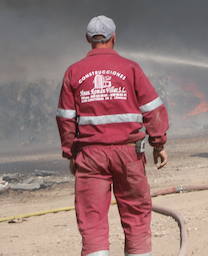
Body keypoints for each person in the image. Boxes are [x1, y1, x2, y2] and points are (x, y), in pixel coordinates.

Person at [56, 15, 169, 256]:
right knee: (136, 213)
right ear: (114, 37)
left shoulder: (73, 72)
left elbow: (66, 118)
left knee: (92, 217)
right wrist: (158, 144)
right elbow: (153, 109)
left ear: (88, 39)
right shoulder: (130, 68)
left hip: (90, 155)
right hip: (129, 154)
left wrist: (70, 153)